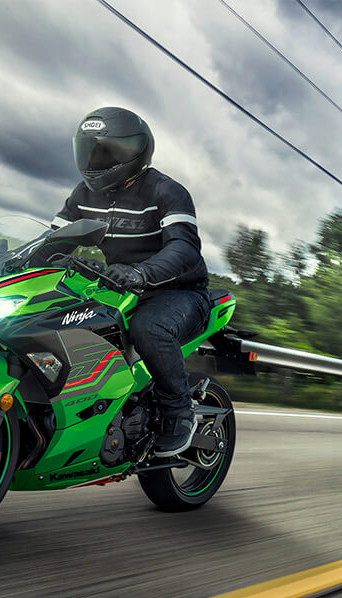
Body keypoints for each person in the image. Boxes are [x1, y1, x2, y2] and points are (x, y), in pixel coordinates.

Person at [52, 107, 210, 457]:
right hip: (118, 287)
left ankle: (178, 412)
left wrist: (142, 273)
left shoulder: (166, 191)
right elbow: (53, 242)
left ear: (132, 152)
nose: (94, 161)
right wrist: (12, 262)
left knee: (148, 328)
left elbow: (185, 247)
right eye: (88, 151)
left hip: (178, 293)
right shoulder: (83, 194)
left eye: (104, 152)